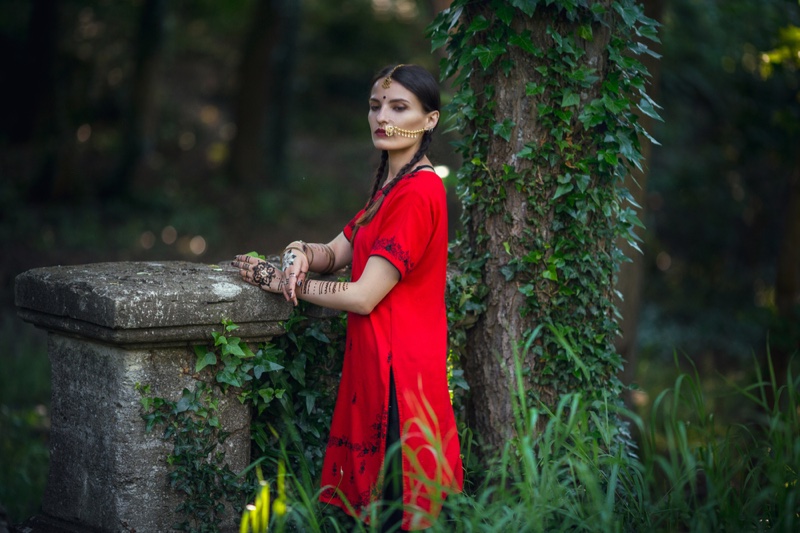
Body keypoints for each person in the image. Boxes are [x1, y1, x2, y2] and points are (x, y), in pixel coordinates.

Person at [232, 64, 463, 531]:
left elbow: (362, 296)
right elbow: (339, 249)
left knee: (399, 515)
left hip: (402, 379)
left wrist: (279, 282)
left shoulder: (419, 192)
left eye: (399, 107)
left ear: (430, 120)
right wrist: (297, 252)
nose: (382, 117)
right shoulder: (389, 185)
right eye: (376, 106)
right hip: (378, 365)